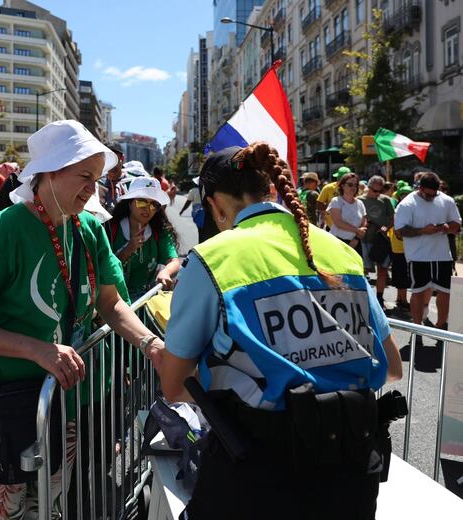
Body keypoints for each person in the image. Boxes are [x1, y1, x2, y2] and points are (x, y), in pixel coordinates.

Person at [160, 143, 403, 519]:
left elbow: (174, 387)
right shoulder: (341, 252)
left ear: (214, 204)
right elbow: (391, 367)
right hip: (351, 476)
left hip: (257, 476)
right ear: (271, 189)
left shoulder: (212, 259)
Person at [0, 120, 164, 520]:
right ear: (50, 170)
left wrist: (152, 345)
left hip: (61, 402)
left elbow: (110, 303)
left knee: (48, 505)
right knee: (3, 512)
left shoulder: (89, 228)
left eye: (95, 180)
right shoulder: (5, 230)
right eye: (83, 176)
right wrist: (37, 349)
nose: (91, 189)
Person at [394, 172, 461, 339]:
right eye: (428, 194)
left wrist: (446, 227)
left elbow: (457, 225)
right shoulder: (407, 204)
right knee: (418, 291)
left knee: (445, 292)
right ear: (420, 188)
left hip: (442, 255)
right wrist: (423, 231)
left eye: (434, 194)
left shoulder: (446, 200)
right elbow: (400, 232)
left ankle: (441, 325)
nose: (432, 197)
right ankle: (417, 328)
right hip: (418, 256)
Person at [109, 177, 180, 300]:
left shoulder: (160, 230)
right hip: (115, 301)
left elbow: (174, 261)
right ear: (130, 203)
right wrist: (127, 250)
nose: (147, 208)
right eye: (141, 202)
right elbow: (104, 267)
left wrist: (165, 272)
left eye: (153, 204)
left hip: (148, 300)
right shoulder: (110, 228)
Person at [357, 175, 394, 308]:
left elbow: (392, 218)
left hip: (380, 240)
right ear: (369, 188)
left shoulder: (385, 200)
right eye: (374, 190)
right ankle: (364, 296)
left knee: (383, 269)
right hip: (364, 240)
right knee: (363, 270)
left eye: (379, 191)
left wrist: (386, 227)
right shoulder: (359, 200)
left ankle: (379, 296)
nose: (376, 193)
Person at [327, 171, 367, 255]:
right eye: (350, 184)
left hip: (356, 243)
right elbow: (338, 222)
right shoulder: (336, 201)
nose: (353, 187)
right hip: (338, 242)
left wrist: (356, 238)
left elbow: (364, 223)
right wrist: (357, 230)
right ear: (342, 186)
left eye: (355, 185)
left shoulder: (360, 203)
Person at [388, 184, 414, 312]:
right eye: (404, 194)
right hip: (400, 246)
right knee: (403, 274)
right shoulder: (400, 208)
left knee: (402, 274)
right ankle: (403, 300)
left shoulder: (402, 208)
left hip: (404, 247)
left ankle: (400, 298)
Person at [97, 142, 126, 222]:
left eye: (115, 160)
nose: (112, 165)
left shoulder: (130, 184)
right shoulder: (96, 184)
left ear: (122, 159)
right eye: (108, 161)